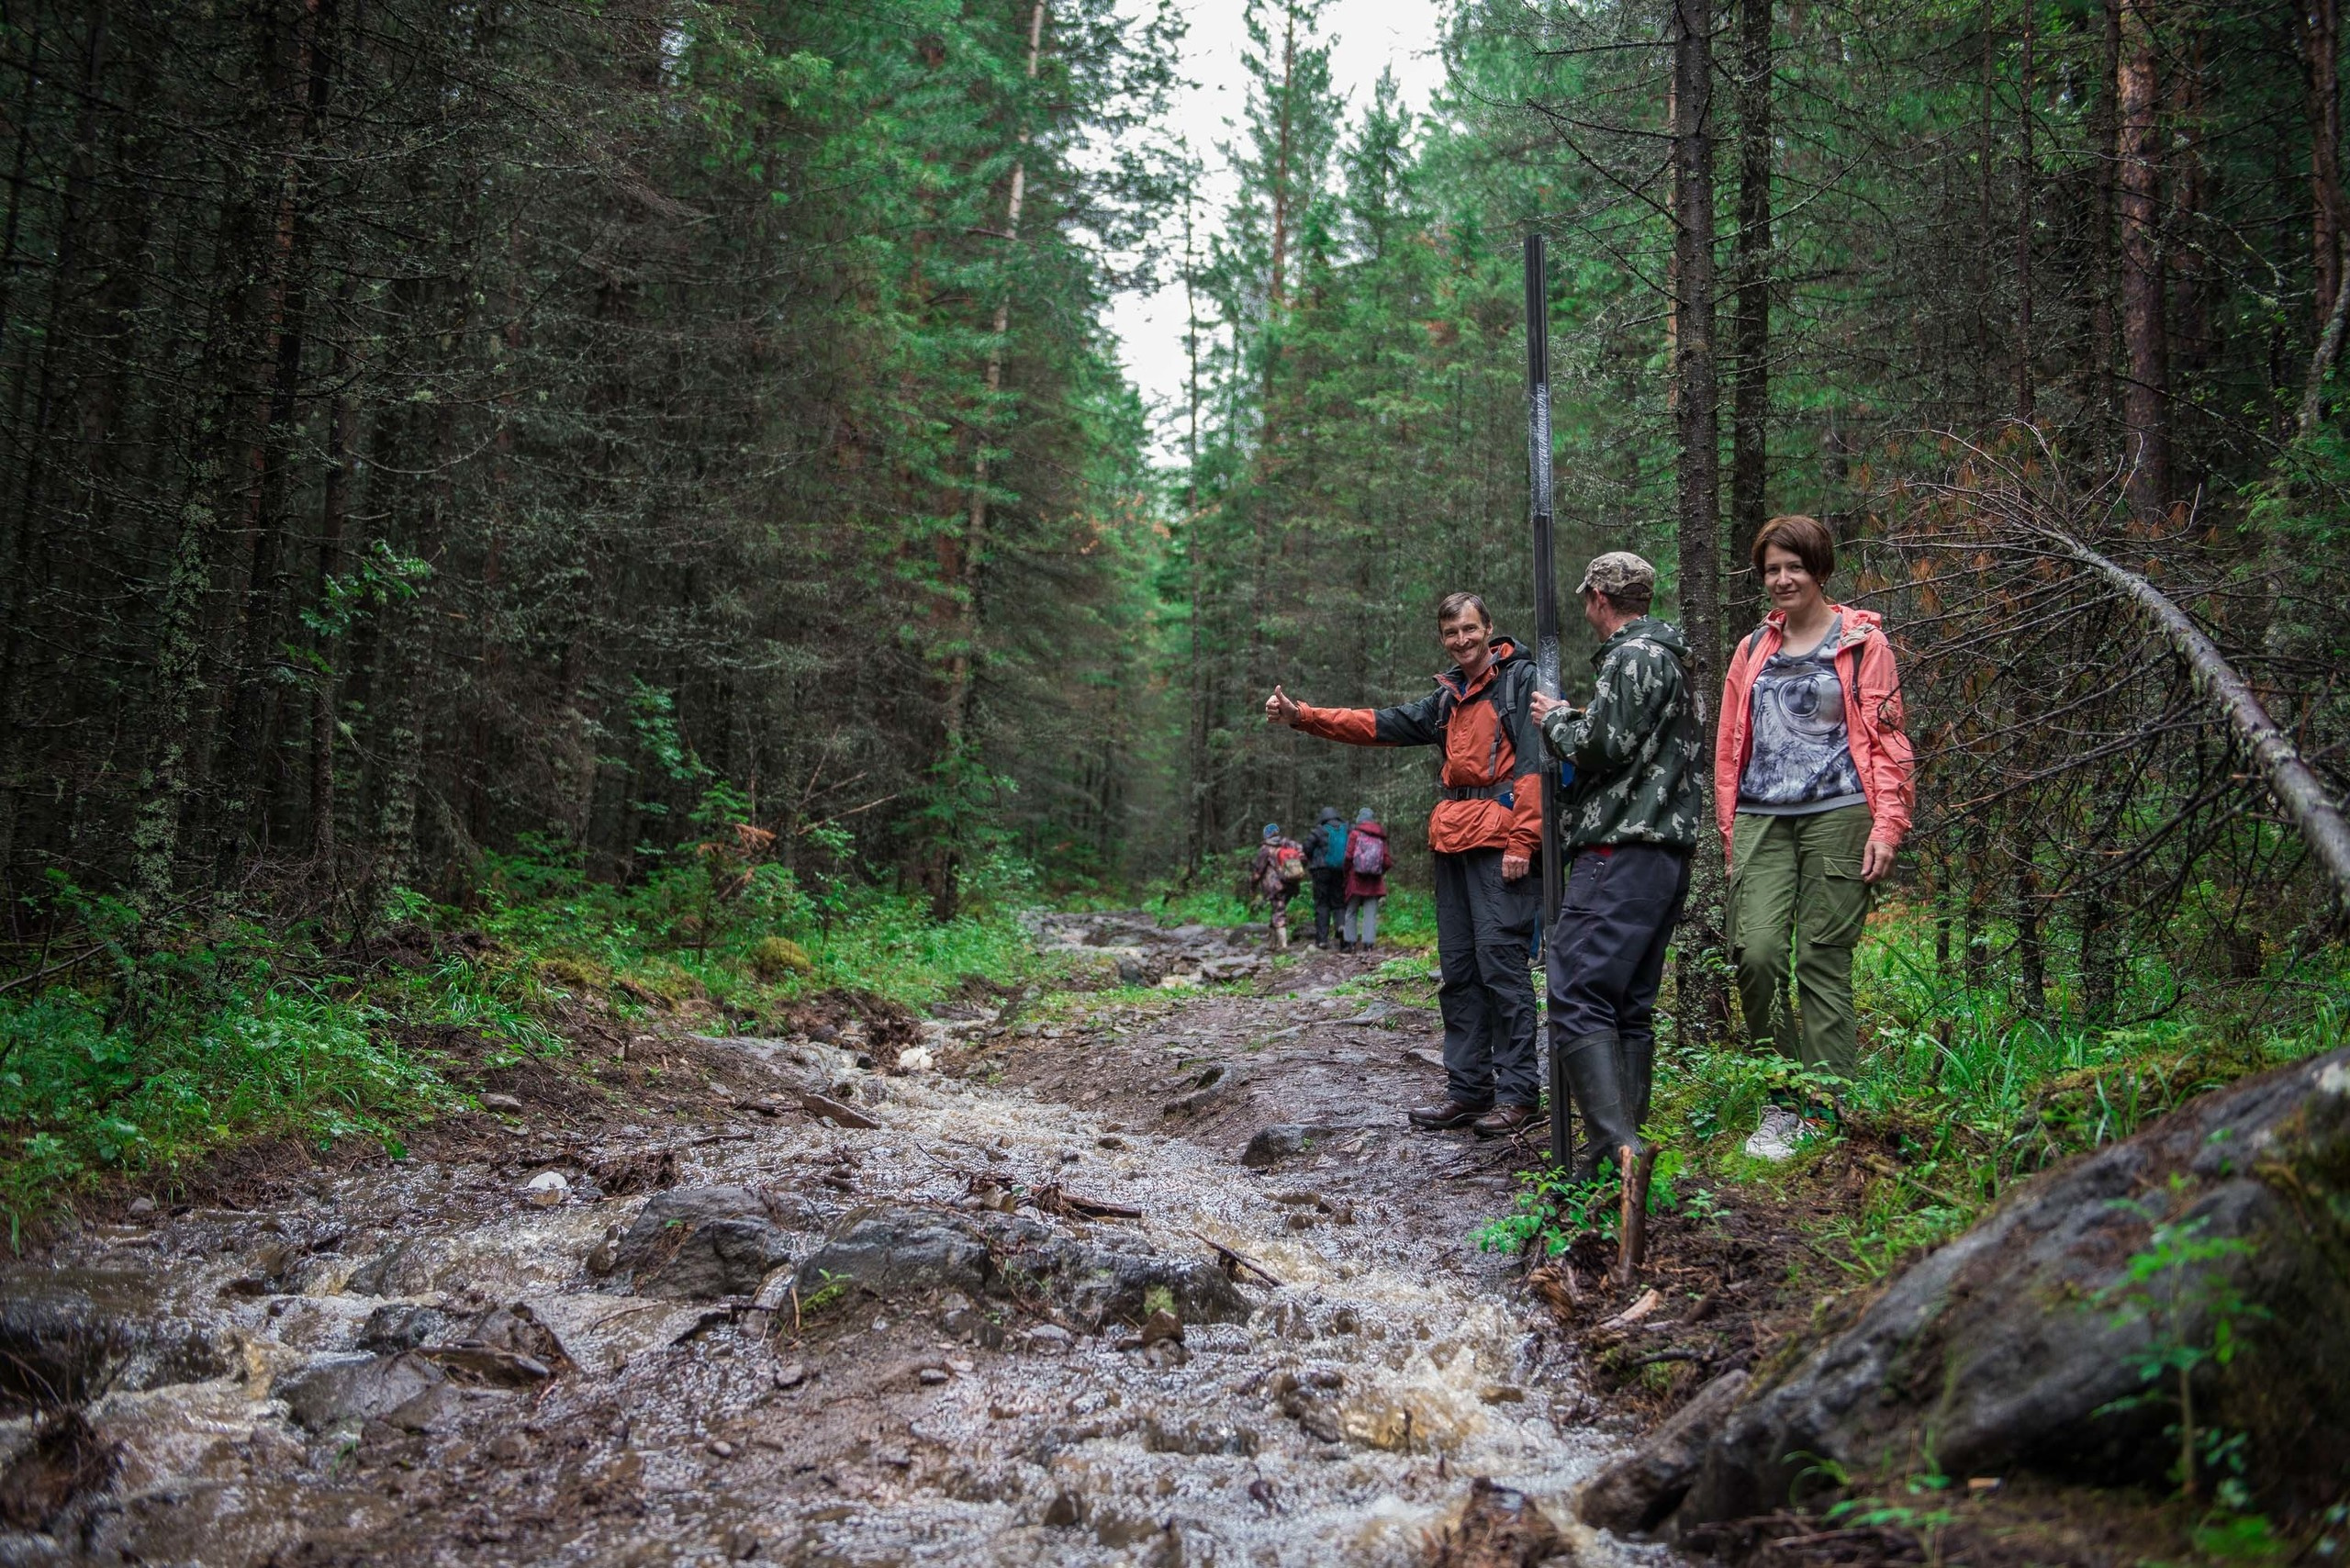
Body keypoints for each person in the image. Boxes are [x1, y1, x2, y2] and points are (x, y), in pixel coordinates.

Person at [1266, 592, 1543, 1138]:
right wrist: (1304, 717)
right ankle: (1469, 1090)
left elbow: (1534, 767)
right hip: (1453, 842)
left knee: (1502, 966)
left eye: (1469, 629)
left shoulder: (1520, 683)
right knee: (1459, 971)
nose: (1461, 640)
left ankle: (1518, 1094)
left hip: (1501, 845)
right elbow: (1376, 724)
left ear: (1489, 628)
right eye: (1451, 633)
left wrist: (1523, 842)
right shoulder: (1446, 701)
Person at [1715, 514, 1915, 1161]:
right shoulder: (1751, 649)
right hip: (1761, 817)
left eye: (1794, 567)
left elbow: (1889, 741)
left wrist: (1889, 825)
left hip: (1841, 814)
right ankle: (1782, 1098)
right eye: (1772, 569)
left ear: (1819, 570)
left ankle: (1827, 1108)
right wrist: (1730, 831)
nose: (1782, 579)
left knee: (1823, 960)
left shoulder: (1863, 644)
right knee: (1756, 953)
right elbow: (1729, 748)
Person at [1528, 552, 1705, 1182]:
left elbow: (1605, 744)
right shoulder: (1671, 660)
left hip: (1621, 849)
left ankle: (1611, 1151)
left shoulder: (1634, 657)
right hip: (1660, 852)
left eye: (1587, 599)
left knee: (1577, 990)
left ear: (1599, 598)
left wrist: (1556, 720)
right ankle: (1626, 1159)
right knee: (1627, 1002)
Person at [1250, 823, 1307, 950]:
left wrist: (1252, 887)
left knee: (1278, 912)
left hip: (1275, 886)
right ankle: (1272, 943)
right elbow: (1303, 857)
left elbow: (1258, 872)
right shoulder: (1289, 844)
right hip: (1291, 884)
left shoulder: (1265, 849)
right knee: (1277, 909)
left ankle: (1283, 945)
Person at [1340, 806, 1388, 953]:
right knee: (1370, 914)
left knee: (1351, 912)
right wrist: (1378, 871)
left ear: (1359, 819)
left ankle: (1350, 943)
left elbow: (1348, 856)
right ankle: (1368, 945)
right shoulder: (1380, 836)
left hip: (1356, 879)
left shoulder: (1355, 834)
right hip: (1374, 882)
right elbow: (1387, 860)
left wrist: (1347, 873)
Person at [1308, 806, 1349, 949]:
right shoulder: (1346, 828)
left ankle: (1322, 940)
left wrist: (1313, 859)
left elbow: (1307, 847)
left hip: (1320, 871)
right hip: (1341, 871)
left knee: (1322, 904)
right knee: (1340, 903)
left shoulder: (1319, 830)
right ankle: (1342, 929)